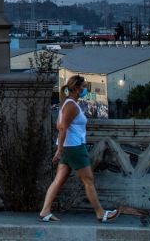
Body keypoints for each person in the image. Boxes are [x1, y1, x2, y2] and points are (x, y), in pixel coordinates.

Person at [38, 74, 118, 223]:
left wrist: (61, 148)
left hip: (69, 148)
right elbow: (62, 128)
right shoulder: (71, 106)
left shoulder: (67, 104)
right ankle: (100, 213)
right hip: (74, 148)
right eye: (82, 87)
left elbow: (59, 125)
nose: (84, 90)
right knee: (88, 180)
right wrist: (60, 150)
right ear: (75, 88)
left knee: (58, 180)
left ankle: (45, 211)